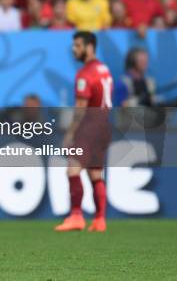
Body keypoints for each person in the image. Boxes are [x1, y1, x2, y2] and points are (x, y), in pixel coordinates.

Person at [56, 31, 112, 233]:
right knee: (96, 173)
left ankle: (76, 216)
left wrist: (70, 133)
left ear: (90, 47)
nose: (74, 49)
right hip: (104, 125)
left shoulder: (85, 73)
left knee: (72, 170)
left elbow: (81, 106)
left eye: (78, 45)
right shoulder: (104, 69)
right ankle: (100, 220)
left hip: (89, 127)